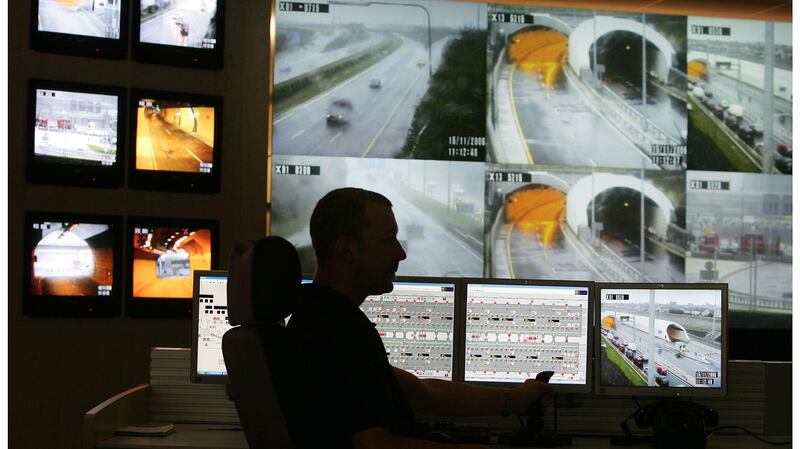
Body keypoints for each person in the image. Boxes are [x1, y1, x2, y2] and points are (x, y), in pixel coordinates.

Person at [288, 187, 552, 449]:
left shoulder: (318, 314)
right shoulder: (340, 332)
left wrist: (515, 400)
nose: (400, 254)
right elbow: (376, 446)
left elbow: (421, 393)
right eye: (388, 239)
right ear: (347, 249)